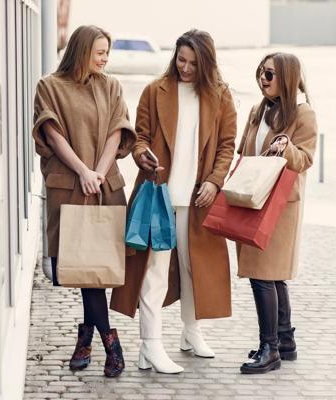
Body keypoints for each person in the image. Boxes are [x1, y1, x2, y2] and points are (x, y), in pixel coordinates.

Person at [110, 29, 237, 373]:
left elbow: (227, 145)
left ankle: (191, 332)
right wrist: (142, 155)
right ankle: (150, 344)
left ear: (206, 63)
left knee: (195, 269)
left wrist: (214, 180)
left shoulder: (221, 95)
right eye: (181, 59)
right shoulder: (155, 90)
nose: (185, 67)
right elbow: (140, 138)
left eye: (193, 63)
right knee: (155, 272)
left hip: (198, 198)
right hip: (159, 194)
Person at [32, 25, 136, 378]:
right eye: (100, 52)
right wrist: (82, 171)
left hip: (105, 189)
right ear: (81, 51)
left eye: (108, 52)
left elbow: (116, 133)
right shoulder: (50, 86)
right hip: (70, 189)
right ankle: (110, 342)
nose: (106, 59)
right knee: (82, 269)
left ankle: (88, 337)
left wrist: (99, 173)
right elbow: (52, 133)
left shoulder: (112, 86)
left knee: (98, 270)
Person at [237, 52, 317, 374]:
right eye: (261, 72)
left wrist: (287, 145)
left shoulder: (302, 113)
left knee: (262, 274)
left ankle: (269, 348)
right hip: (253, 197)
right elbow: (245, 151)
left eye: (270, 74)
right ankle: (284, 340)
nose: (263, 78)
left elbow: (305, 159)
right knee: (273, 274)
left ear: (286, 77)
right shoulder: (259, 109)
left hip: (281, 205)